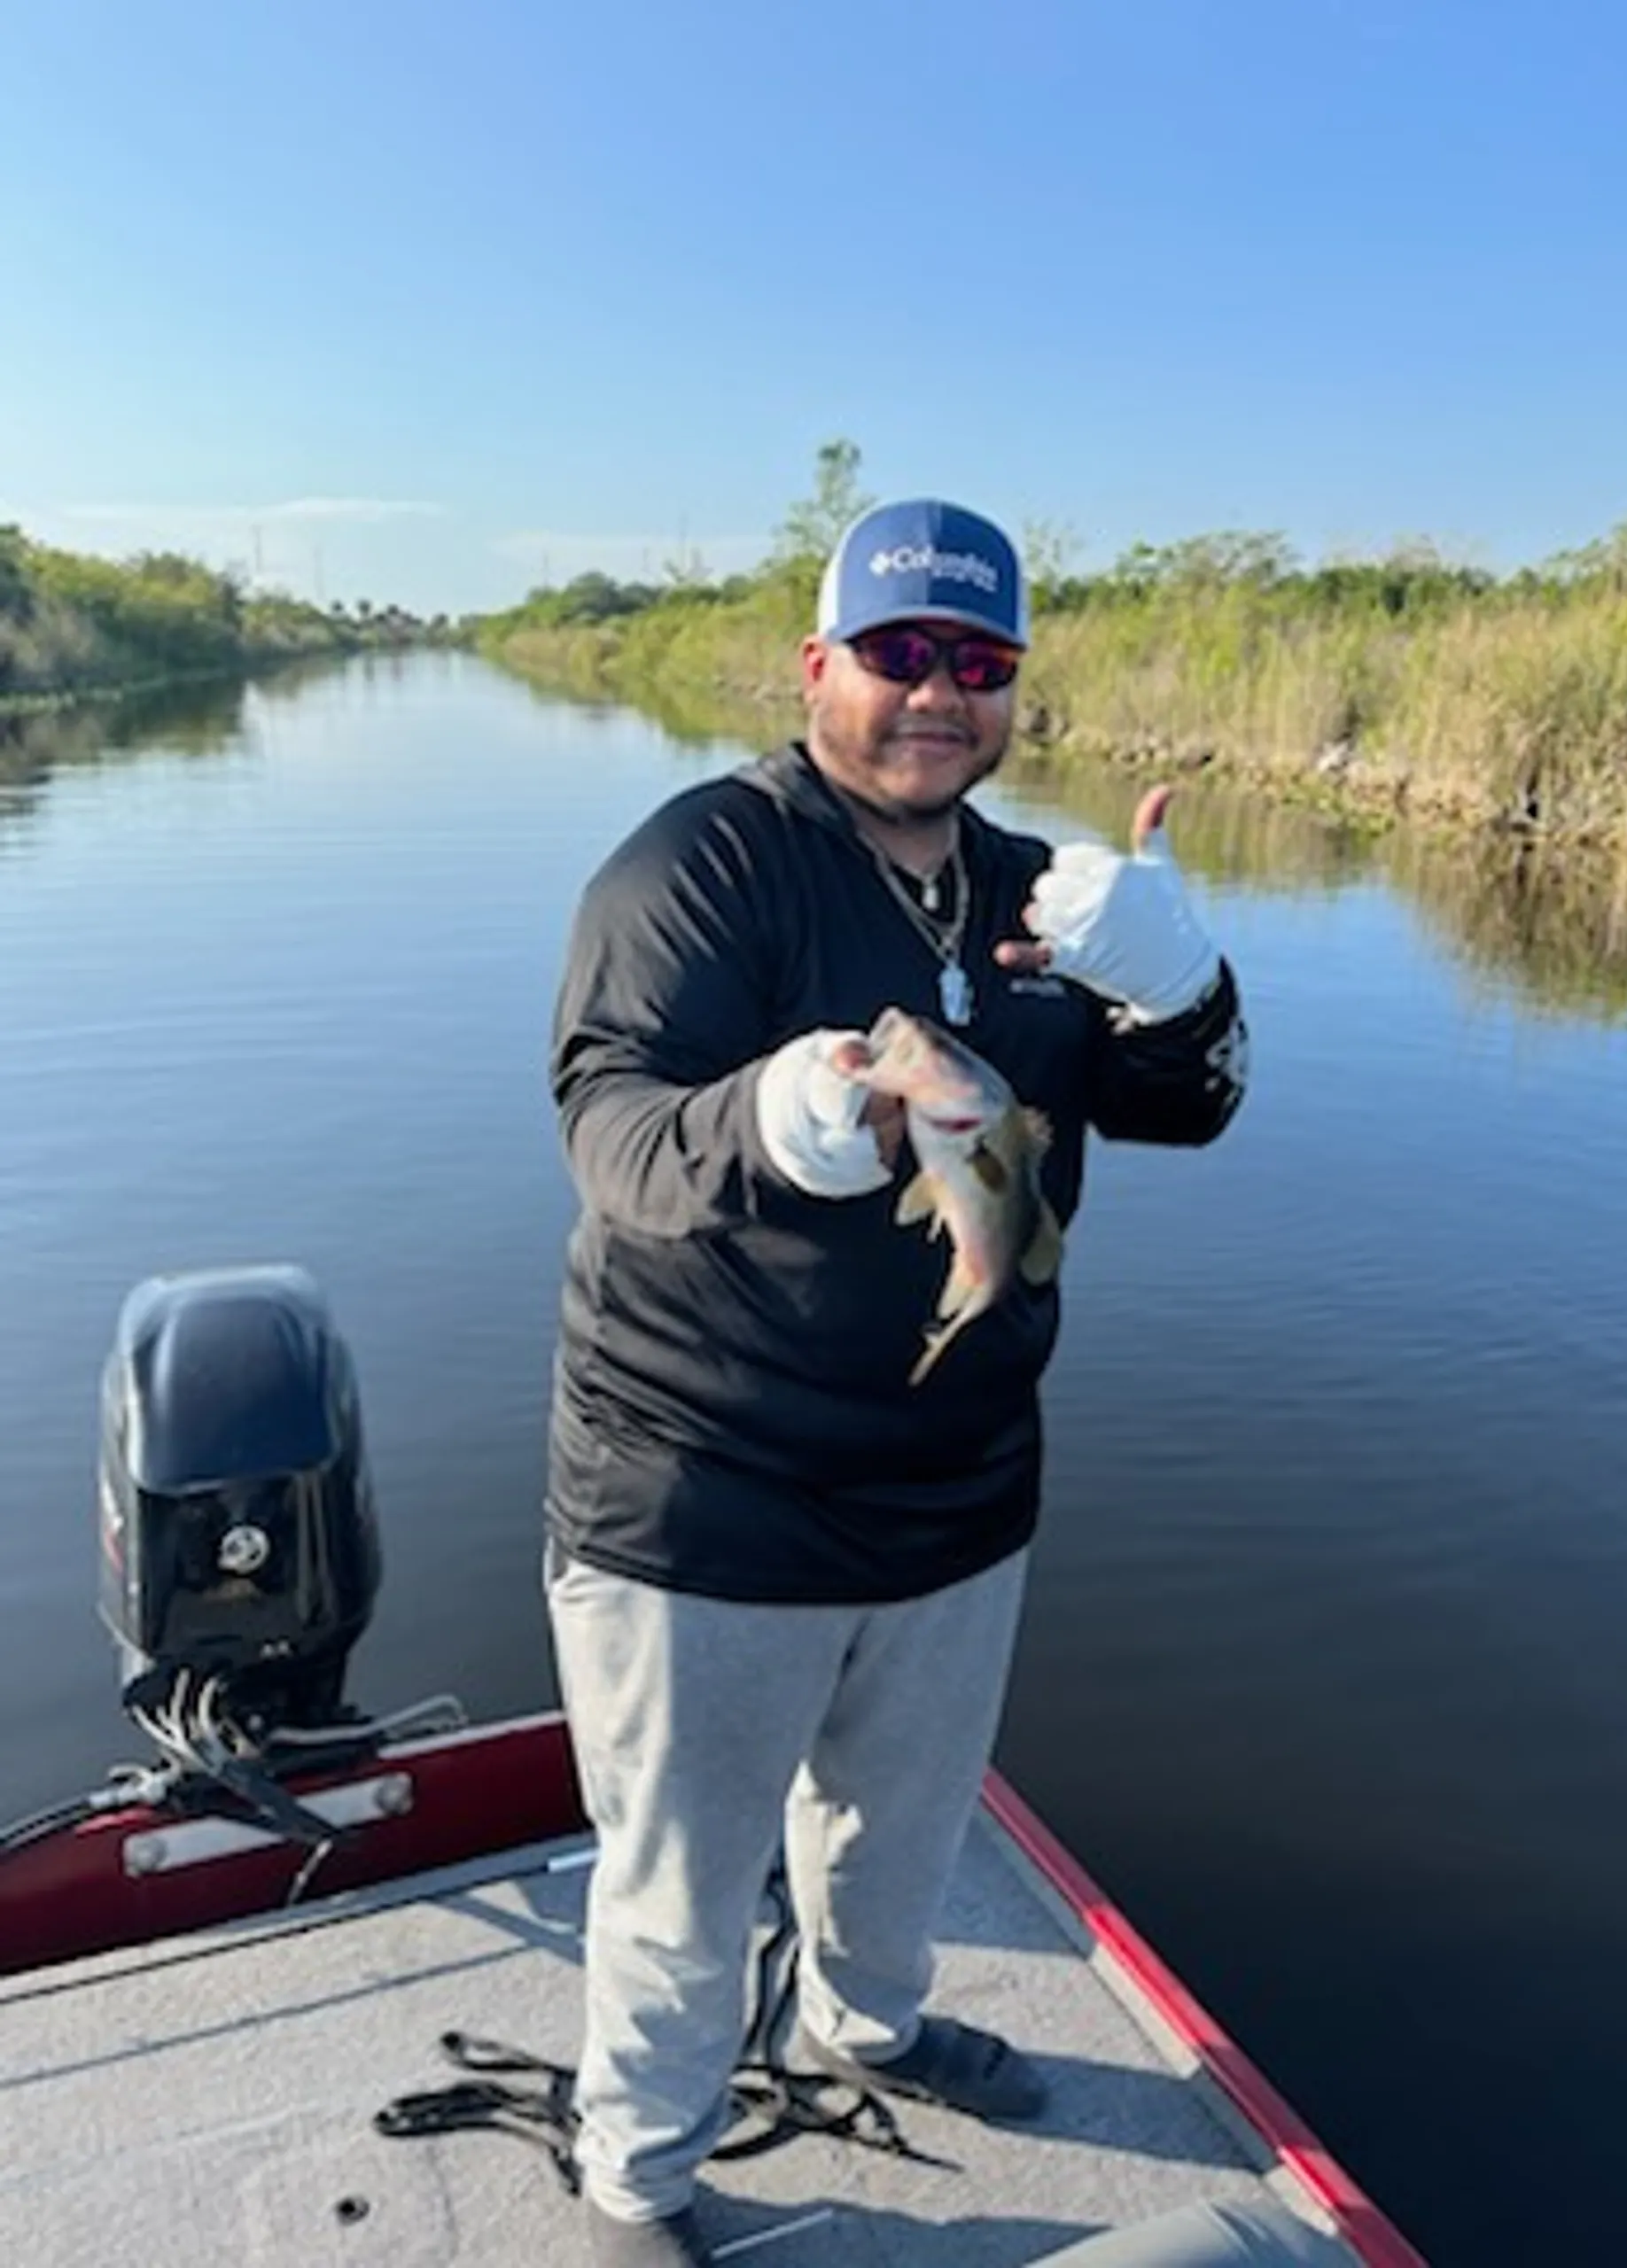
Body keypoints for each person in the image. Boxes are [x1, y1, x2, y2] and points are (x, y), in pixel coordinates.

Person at [543, 498, 1249, 2266]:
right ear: (817, 667)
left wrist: (1182, 984)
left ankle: (869, 2021)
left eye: (980, 660)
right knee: (685, 1891)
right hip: (705, 1492)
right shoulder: (698, 867)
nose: (940, 691)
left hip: (959, 1484)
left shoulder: (1039, 898)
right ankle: (637, 2174)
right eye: (901, 651)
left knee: (904, 1825)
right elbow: (614, 1135)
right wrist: (777, 1119)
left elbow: (1193, 1103)